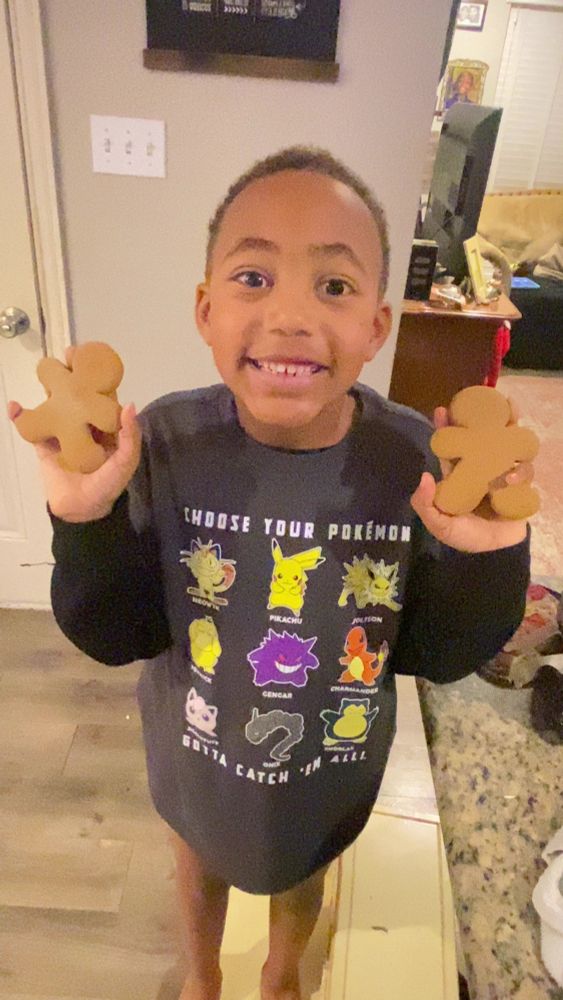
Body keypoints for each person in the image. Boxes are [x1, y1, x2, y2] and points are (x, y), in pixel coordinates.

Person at [8, 147, 531, 1000]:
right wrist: (85, 519)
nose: (290, 315)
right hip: (195, 749)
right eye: (253, 278)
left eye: (333, 285)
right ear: (205, 310)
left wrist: (487, 559)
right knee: (197, 855)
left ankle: (283, 974)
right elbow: (115, 632)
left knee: (301, 869)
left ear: (376, 327)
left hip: (328, 765)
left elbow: (436, 653)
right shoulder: (163, 442)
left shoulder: (413, 459)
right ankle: (203, 973)